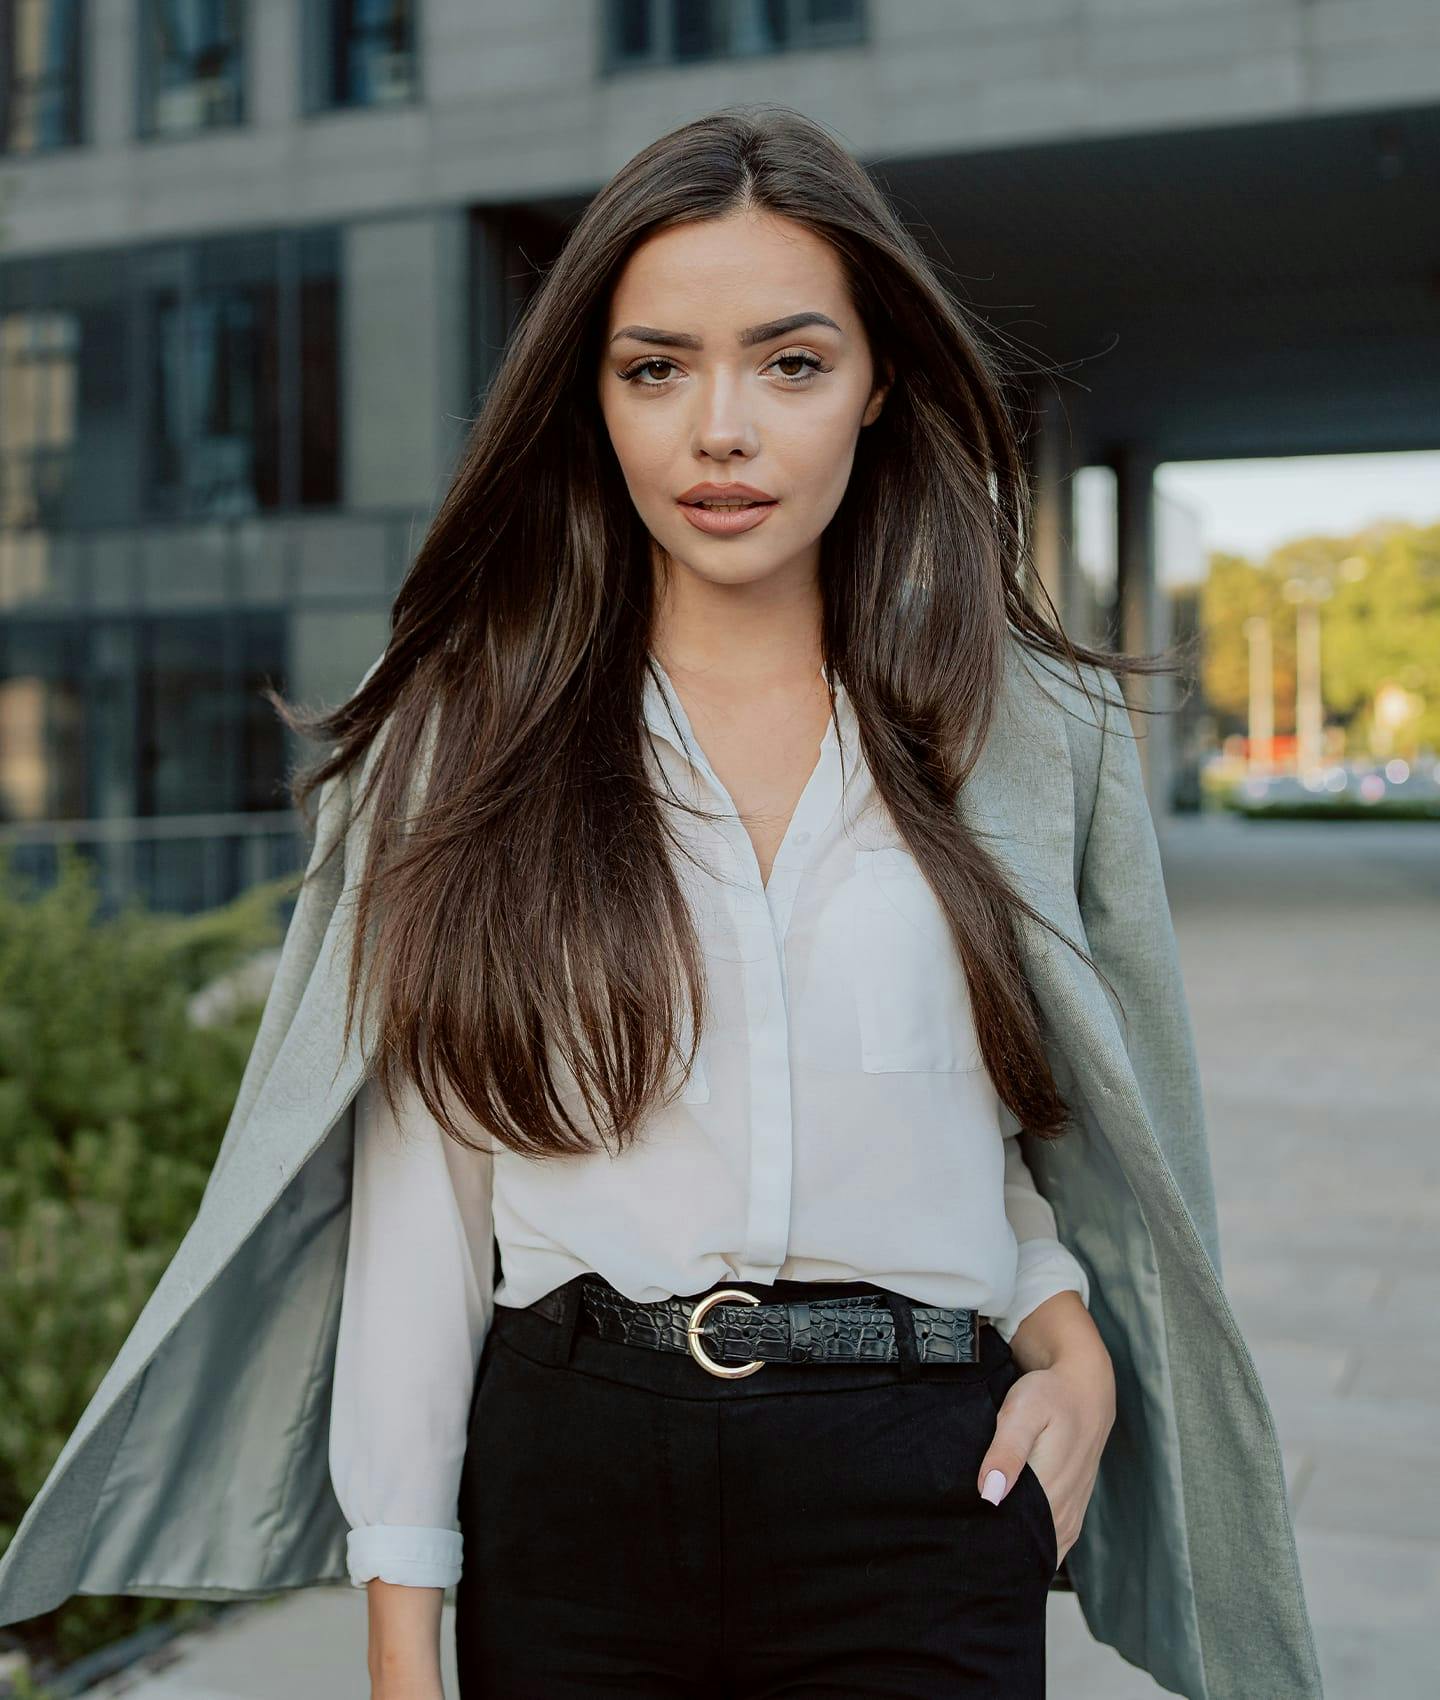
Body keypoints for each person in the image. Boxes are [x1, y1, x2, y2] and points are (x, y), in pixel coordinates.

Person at [0, 106, 1323, 1700]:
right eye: (654, 368)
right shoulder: (469, 739)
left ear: (878, 382)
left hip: (920, 1488)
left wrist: (1075, 1334)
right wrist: (403, 1639)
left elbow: (1006, 1132)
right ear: (594, 401)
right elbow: (428, 1216)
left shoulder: (1025, 732)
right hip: (572, 1485)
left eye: (788, 363)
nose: (722, 432)